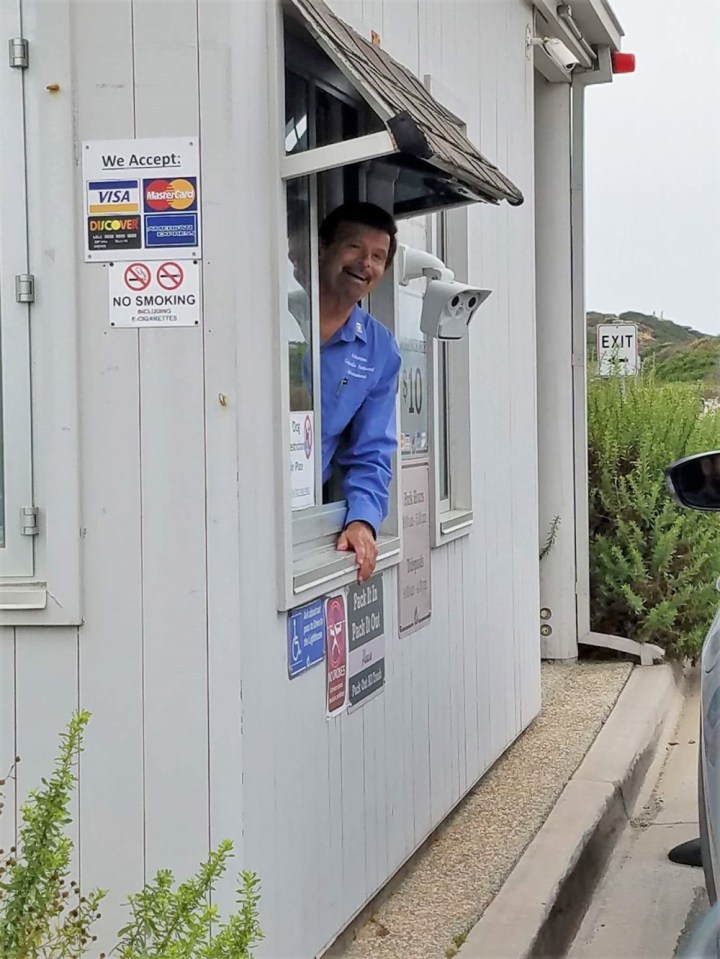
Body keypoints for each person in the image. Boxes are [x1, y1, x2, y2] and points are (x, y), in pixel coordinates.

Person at [317, 202, 402, 583]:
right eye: (354, 247)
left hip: (302, 516)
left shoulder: (379, 349)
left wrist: (362, 520)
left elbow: (371, 451)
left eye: (378, 257)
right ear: (322, 248)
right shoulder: (273, 316)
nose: (365, 263)